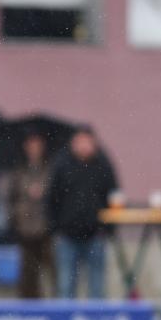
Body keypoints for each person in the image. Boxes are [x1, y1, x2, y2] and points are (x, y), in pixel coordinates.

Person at [47, 125, 118, 299]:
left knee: (96, 287)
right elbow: (51, 199)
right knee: (65, 286)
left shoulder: (103, 165)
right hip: (67, 236)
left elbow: (114, 196)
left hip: (95, 235)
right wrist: (55, 228)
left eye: (87, 142)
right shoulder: (62, 165)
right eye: (80, 142)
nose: (84, 146)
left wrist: (108, 229)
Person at [5, 130, 55, 298]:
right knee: (28, 272)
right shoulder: (19, 171)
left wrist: (44, 192)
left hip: (46, 227)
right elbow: (10, 198)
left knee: (51, 271)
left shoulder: (50, 169)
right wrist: (17, 215)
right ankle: (28, 307)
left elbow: (57, 195)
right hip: (25, 227)